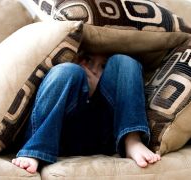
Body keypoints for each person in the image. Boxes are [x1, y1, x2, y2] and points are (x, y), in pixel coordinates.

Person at [11, 52, 161, 173]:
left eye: (103, 65)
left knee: (124, 61)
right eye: (88, 60)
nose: (94, 69)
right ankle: (35, 149)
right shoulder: (74, 74)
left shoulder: (113, 77)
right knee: (67, 70)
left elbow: (119, 74)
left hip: (105, 134)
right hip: (61, 135)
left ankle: (131, 139)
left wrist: (97, 89)